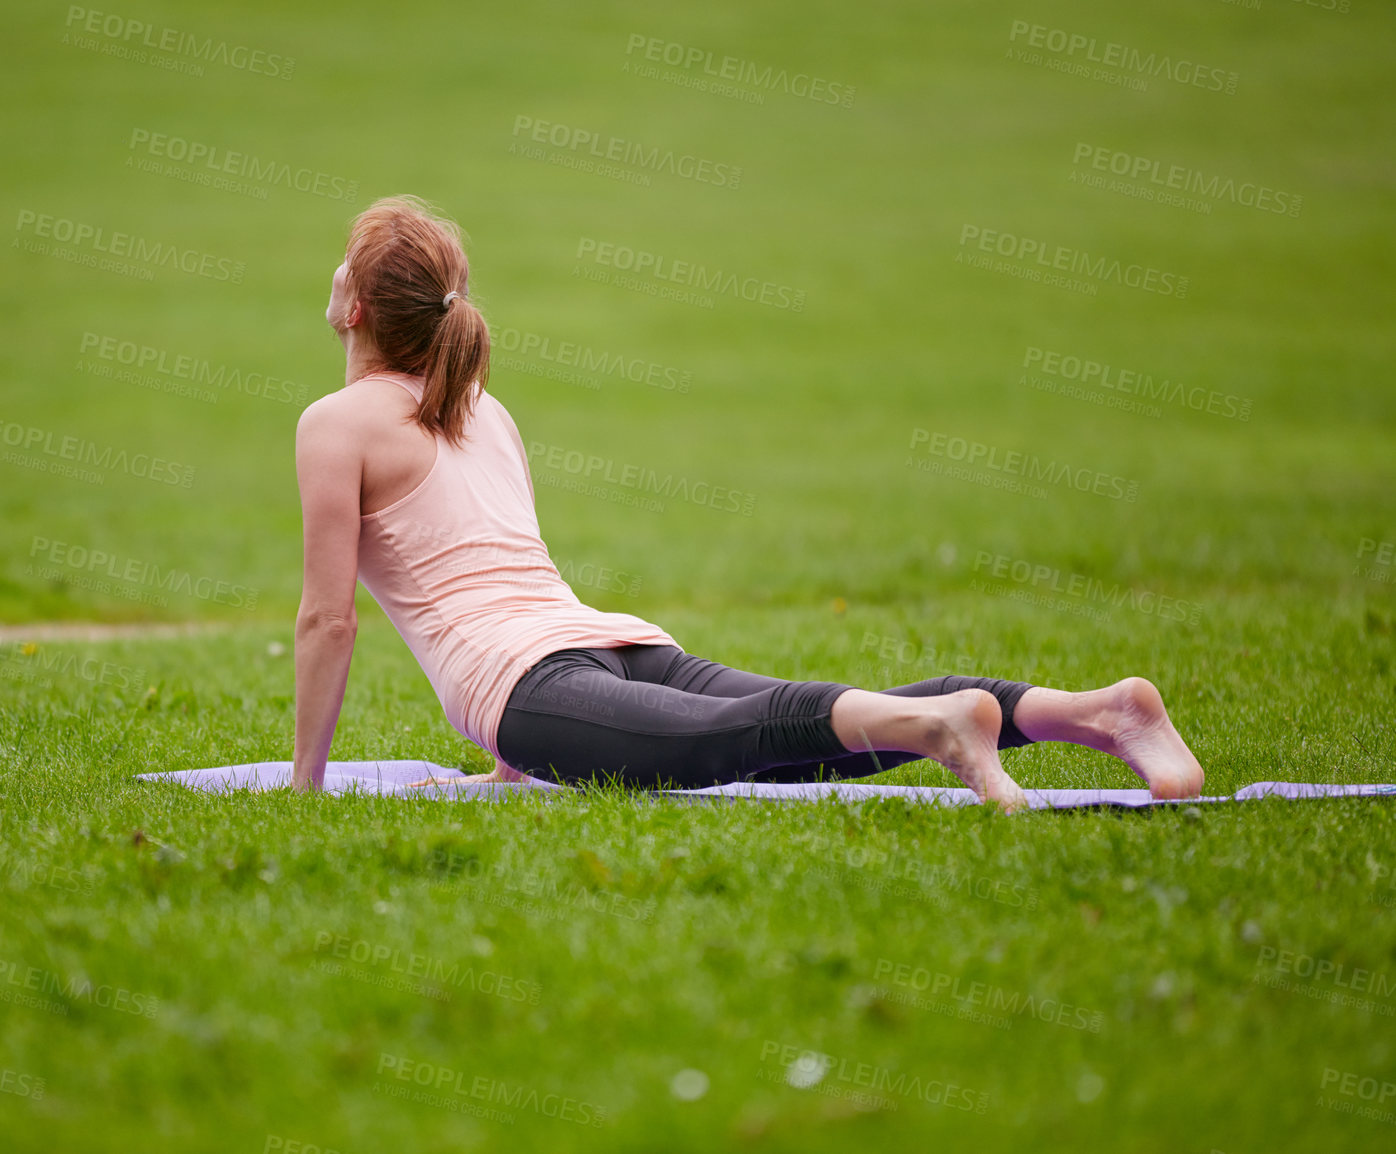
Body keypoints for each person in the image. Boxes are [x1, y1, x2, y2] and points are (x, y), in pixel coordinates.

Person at [290, 196, 1204, 812]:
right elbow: (508, 569)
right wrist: (510, 769)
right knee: (786, 729)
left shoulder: (337, 426)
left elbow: (330, 622)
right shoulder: (482, 408)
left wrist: (306, 789)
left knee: (736, 739)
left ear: (357, 306)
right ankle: (1095, 712)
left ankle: (942, 726)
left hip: (534, 684)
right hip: (615, 647)